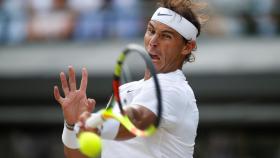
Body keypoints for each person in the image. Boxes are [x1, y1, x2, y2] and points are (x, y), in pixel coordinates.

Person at [54, 0, 204, 157]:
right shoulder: (124, 91)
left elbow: (138, 118)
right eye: (151, 31)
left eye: (166, 36)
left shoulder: (175, 90)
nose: (153, 42)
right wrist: (72, 125)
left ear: (187, 47)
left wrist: (97, 123)